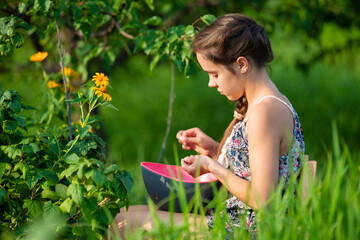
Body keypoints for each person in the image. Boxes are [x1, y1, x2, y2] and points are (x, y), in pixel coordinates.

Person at [107, 13, 305, 239]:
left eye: (214, 74)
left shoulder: (264, 113)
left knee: (122, 222)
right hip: (239, 220)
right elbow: (254, 166)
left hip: (249, 228)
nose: (211, 83)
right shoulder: (268, 103)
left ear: (241, 64)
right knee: (129, 213)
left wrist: (212, 166)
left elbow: (262, 198)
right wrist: (212, 147)